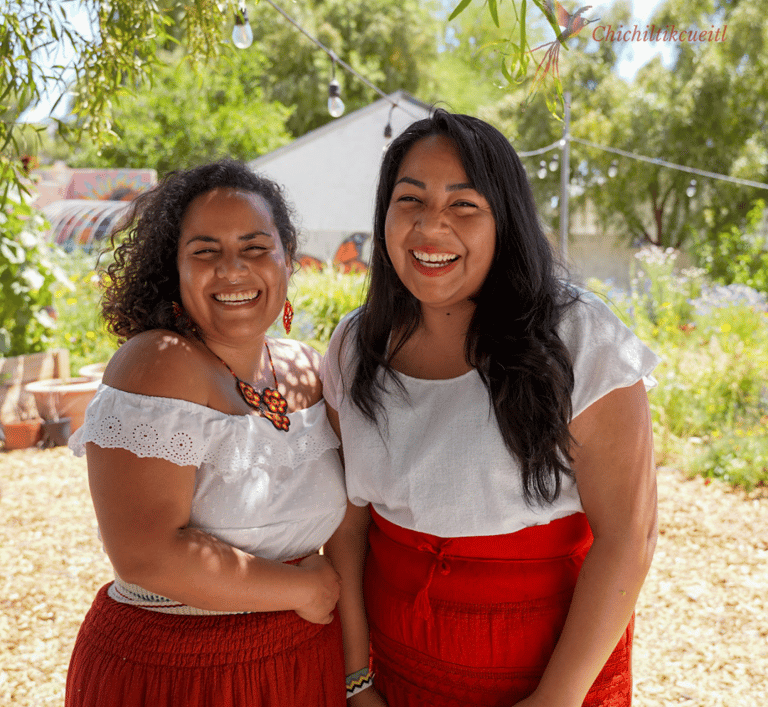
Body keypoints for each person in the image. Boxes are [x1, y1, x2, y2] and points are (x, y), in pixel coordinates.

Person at [321, 110, 660, 707]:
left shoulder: (579, 337)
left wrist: (551, 701)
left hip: (550, 672)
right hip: (400, 666)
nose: (431, 228)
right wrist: (357, 678)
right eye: (410, 201)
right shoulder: (356, 347)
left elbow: (628, 537)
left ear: (506, 220)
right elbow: (347, 530)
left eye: (463, 205)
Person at [66, 159, 347, 707]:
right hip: (178, 667)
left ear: (287, 260)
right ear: (174, 269)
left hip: (301, 655)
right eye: (205, 251)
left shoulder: (308, 370)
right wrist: (305, 588)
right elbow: (146, 554)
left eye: (255, 247)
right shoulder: (158, 363)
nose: (233, 269)